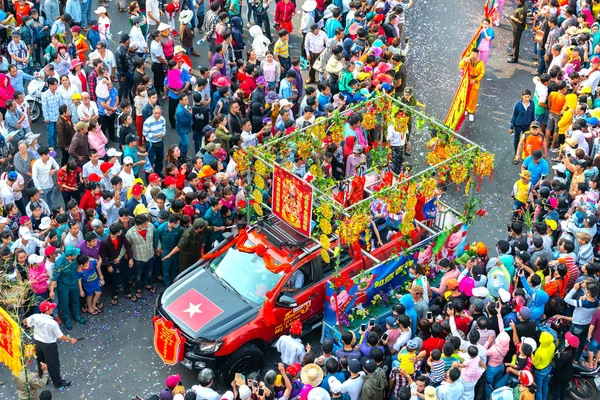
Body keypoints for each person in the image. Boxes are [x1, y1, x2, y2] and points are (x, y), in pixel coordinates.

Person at [23, 301, 77, 389]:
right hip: (49, 346)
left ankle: (44, 378)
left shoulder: (35, 316)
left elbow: (27, 323)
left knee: (41, 361)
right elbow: (60, 336)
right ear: (47, 310)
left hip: (38, 343)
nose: (53, 308)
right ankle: (58, 382)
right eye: (51, 308)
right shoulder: (52, 323)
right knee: (53, 364)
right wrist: (70, 339)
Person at [459, 49, 485, 122]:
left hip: (475, 82)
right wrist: (467, 59)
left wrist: (475, 80)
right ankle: (465, 109)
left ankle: (471, 112)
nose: (473, 56)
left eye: (474, 55)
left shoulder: (481, 63)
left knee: (473, 98)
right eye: (471, 54)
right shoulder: (468, 61)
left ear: (477, 55)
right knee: (465, 96)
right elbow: (461, 65)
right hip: (467, 81)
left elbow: (482, 73)